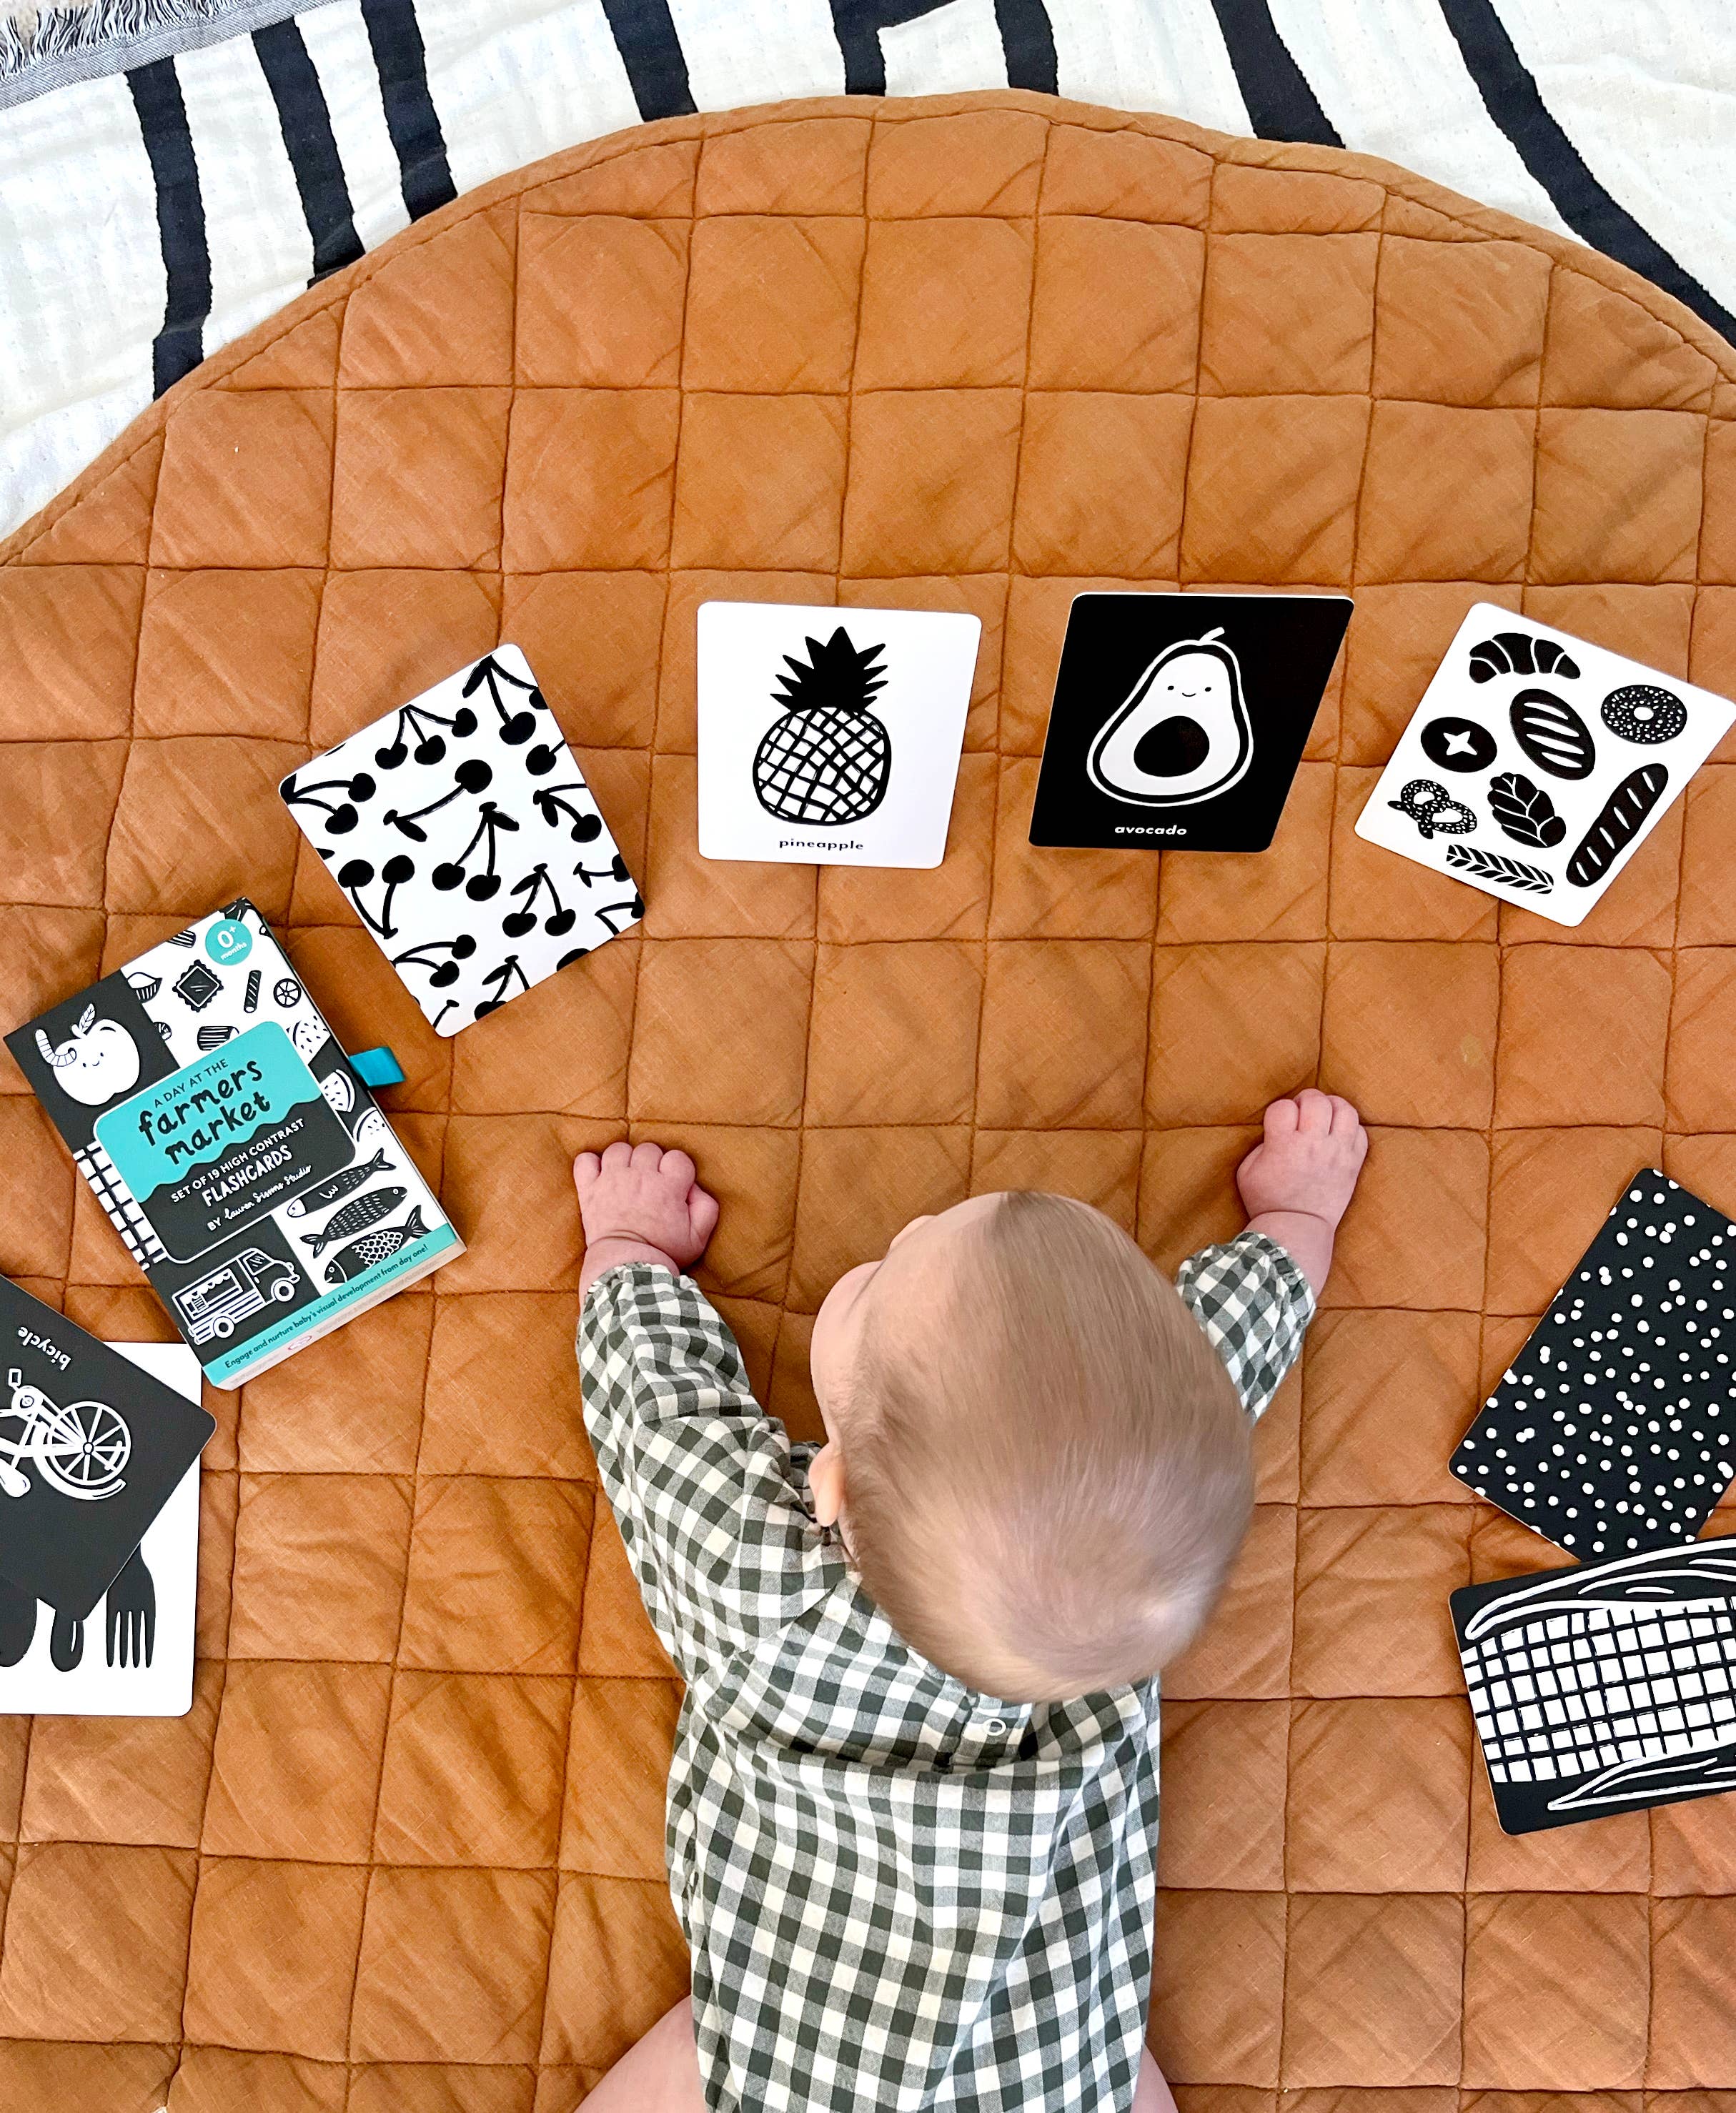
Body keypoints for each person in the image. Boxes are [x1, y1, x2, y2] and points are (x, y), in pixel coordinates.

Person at [575, 1088, 1367, 2112]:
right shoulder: (1123, 1563)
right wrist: (1296, 1218)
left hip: (801, 2072)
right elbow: (1217, 1357)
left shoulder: (755, 1580)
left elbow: (653, 1408)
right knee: (1112, 2060)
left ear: (830, 1486)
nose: (909, 1225)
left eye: (881, 1277)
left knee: (703, 2042)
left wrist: (631, 1247)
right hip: (1052, 2078)